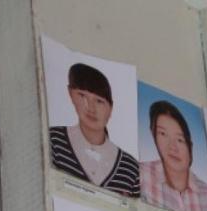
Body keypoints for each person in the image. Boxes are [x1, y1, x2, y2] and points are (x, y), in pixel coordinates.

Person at [49, 63, 140, 197]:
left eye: (99, 101)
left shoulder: (130, 168)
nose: (91, 108)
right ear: (70, 94)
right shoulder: (53, 140)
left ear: (111, 108)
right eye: (82, 96)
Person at [140, 100, 207, 211]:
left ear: (190, 146)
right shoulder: (140, 175)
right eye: (163, 134)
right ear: (153, 135)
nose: (173, 147)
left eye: (180, 140)